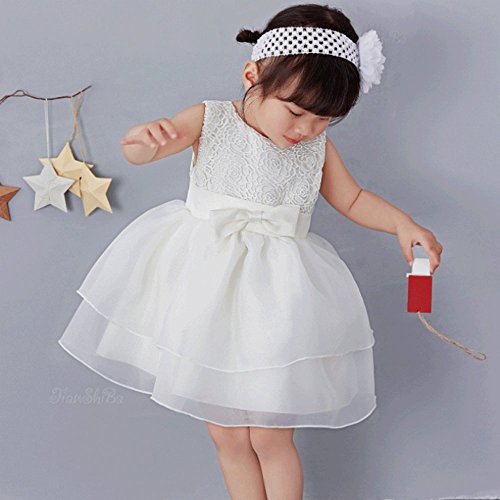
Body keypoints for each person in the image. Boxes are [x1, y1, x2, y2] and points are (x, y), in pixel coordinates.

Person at [58, 4, 443, 499]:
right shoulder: (211, 119)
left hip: (274, 299)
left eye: (325, 119)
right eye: (297, 112)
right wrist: (143, 140)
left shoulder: (316, 149)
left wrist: (402, 224)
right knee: (227, 434)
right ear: (252, 76)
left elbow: (351, 199)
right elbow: (147, 148)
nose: (307, 129)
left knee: (269, 433)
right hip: (206, 291)